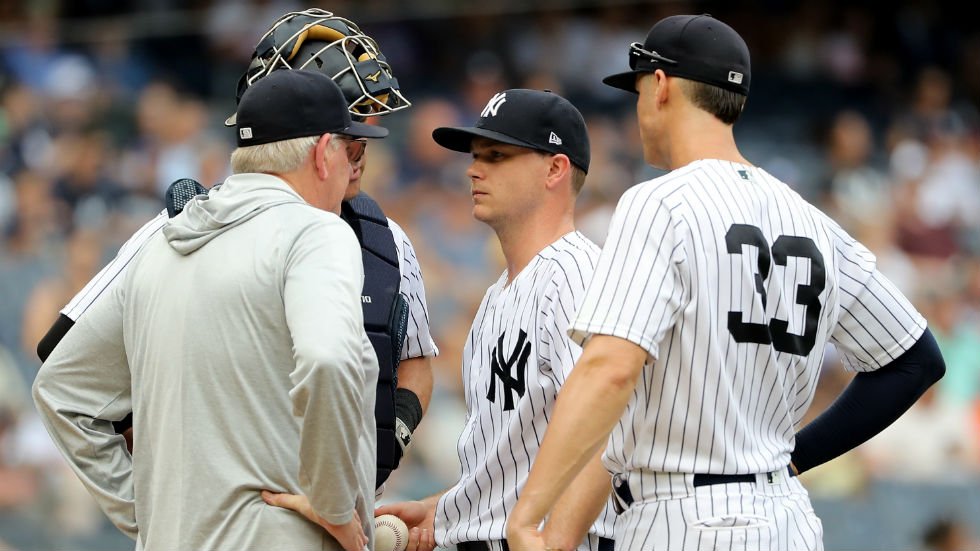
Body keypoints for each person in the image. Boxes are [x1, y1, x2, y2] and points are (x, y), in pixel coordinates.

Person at [507, 14, 946, 551]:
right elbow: (916, 359)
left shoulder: (660, 201)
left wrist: (529, 516)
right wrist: (792, 458)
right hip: (788, 522)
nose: (639, 107)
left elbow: (610, 370)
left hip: (683, 520)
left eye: (640, 89)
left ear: (662, 86)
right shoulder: (812, 219)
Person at [35, 9, 437, 489]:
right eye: (350, 139)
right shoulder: (185, 229)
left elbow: (414, 361)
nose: (361, 156)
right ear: (309, 140)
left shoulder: (383, 239)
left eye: (367, 138)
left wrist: (392, 436)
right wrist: (151, 500)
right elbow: (63, 360)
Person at [34, 69, 385, 551]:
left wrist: (145, 514)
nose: (354, 169)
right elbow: (328, 359)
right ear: (324, 152)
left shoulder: (159, 247)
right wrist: (334, 508)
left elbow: (62, 391)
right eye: (352, 151)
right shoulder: (315, 232)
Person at [305, 89, 617, 551]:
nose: (473, 169)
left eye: (496, 156)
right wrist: (447, 508)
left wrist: (555, 541)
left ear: (555, 168)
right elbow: (512, 461)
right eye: (475, 156)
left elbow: (609, 430)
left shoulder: (575, 275)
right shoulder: (497, 294)